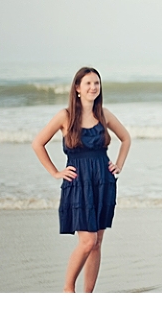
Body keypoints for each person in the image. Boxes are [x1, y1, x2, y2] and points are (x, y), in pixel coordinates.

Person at [32, 67, 131, 293]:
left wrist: (119, 165)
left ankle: (87, 296)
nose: (93, 87)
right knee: (87, 241)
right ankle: (68, 289)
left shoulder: (104, 114)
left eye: (96, 83)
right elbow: (38, 143)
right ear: (77, 88)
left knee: (96, 244)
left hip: (103, 182)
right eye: (88, 83)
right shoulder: (65, 116)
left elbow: (126, 138)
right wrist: (55, 172)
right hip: (78, 183)